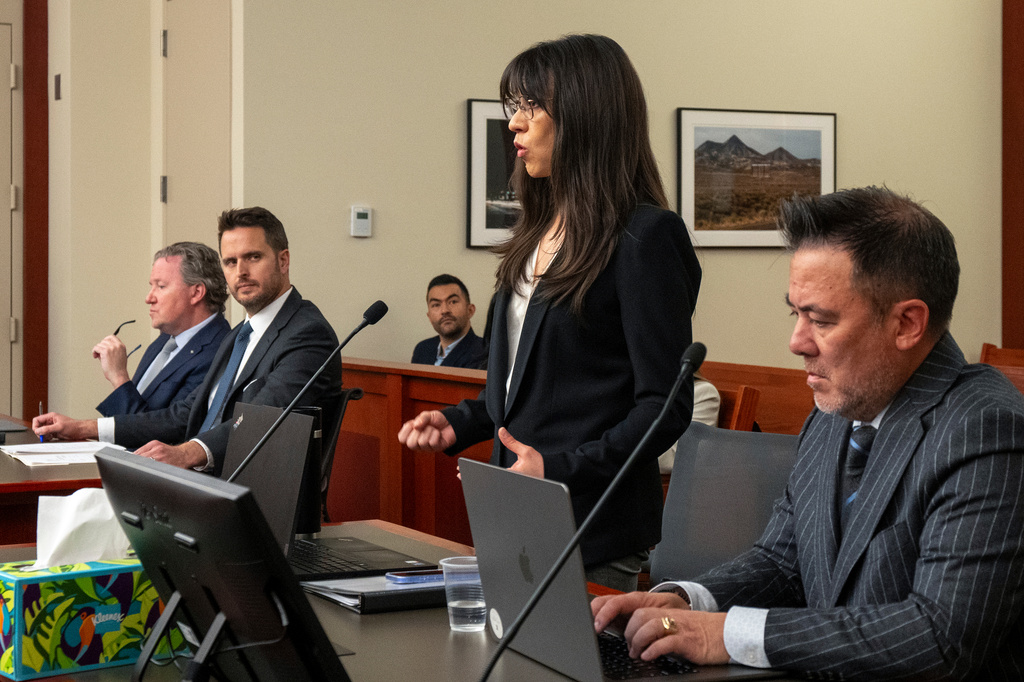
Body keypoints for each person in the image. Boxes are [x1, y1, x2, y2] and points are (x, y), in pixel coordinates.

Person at [592, 187, 1024, 680]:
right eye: (795, 313)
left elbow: (939, 636)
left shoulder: (986, 429)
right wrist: (684, 600)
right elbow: (783, 562)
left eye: (820, 319)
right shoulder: (835, 411)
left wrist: (724, 632)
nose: (796, 342)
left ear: (907, 322)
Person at [398, 34, 701, 592]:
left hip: (591, 527)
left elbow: (664, 407)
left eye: (530, 108)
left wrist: (559, 471)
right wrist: (463, 419)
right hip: (515, 517)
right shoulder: (535, 233)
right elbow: (533, 384)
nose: (514, 123)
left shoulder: (644, 236)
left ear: (586, 115)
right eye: (514, 108)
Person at [34, 207, 343, 476]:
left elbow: (265, 420)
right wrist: (84, 428)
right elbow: (182, 415)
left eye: (253, 257)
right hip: (200, 483)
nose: (241, 272)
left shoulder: (306, 333)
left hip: (249, 495)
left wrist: (185, 454)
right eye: (231, 262)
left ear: (283, 260)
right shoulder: (239, 335)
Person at [95, 242, 231, 417]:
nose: (149, 298)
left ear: (196, 293)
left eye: (161, 286)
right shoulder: (165, 340)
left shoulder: (220, 352)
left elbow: (164, 432)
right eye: (151, 286)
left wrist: (119, 377)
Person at [410, 274, 487, 369]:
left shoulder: (485, 352)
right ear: (429, 317)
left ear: (470, 310)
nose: (444, 310)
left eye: (453, 302)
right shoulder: (422, 349)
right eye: (436, 305)